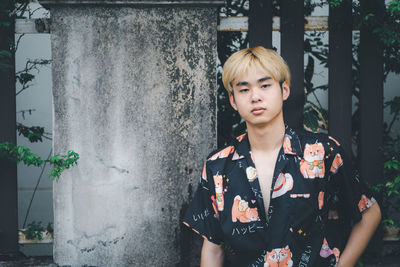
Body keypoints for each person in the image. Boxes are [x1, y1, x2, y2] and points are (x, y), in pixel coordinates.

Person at [182, 46, 381, 267]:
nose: (255, 96)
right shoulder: (218, 167)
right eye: (244, 89)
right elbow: (213, 247)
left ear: (284, 90)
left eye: (265, 85)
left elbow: (369, 212)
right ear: (233, 100)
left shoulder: (322, 152)